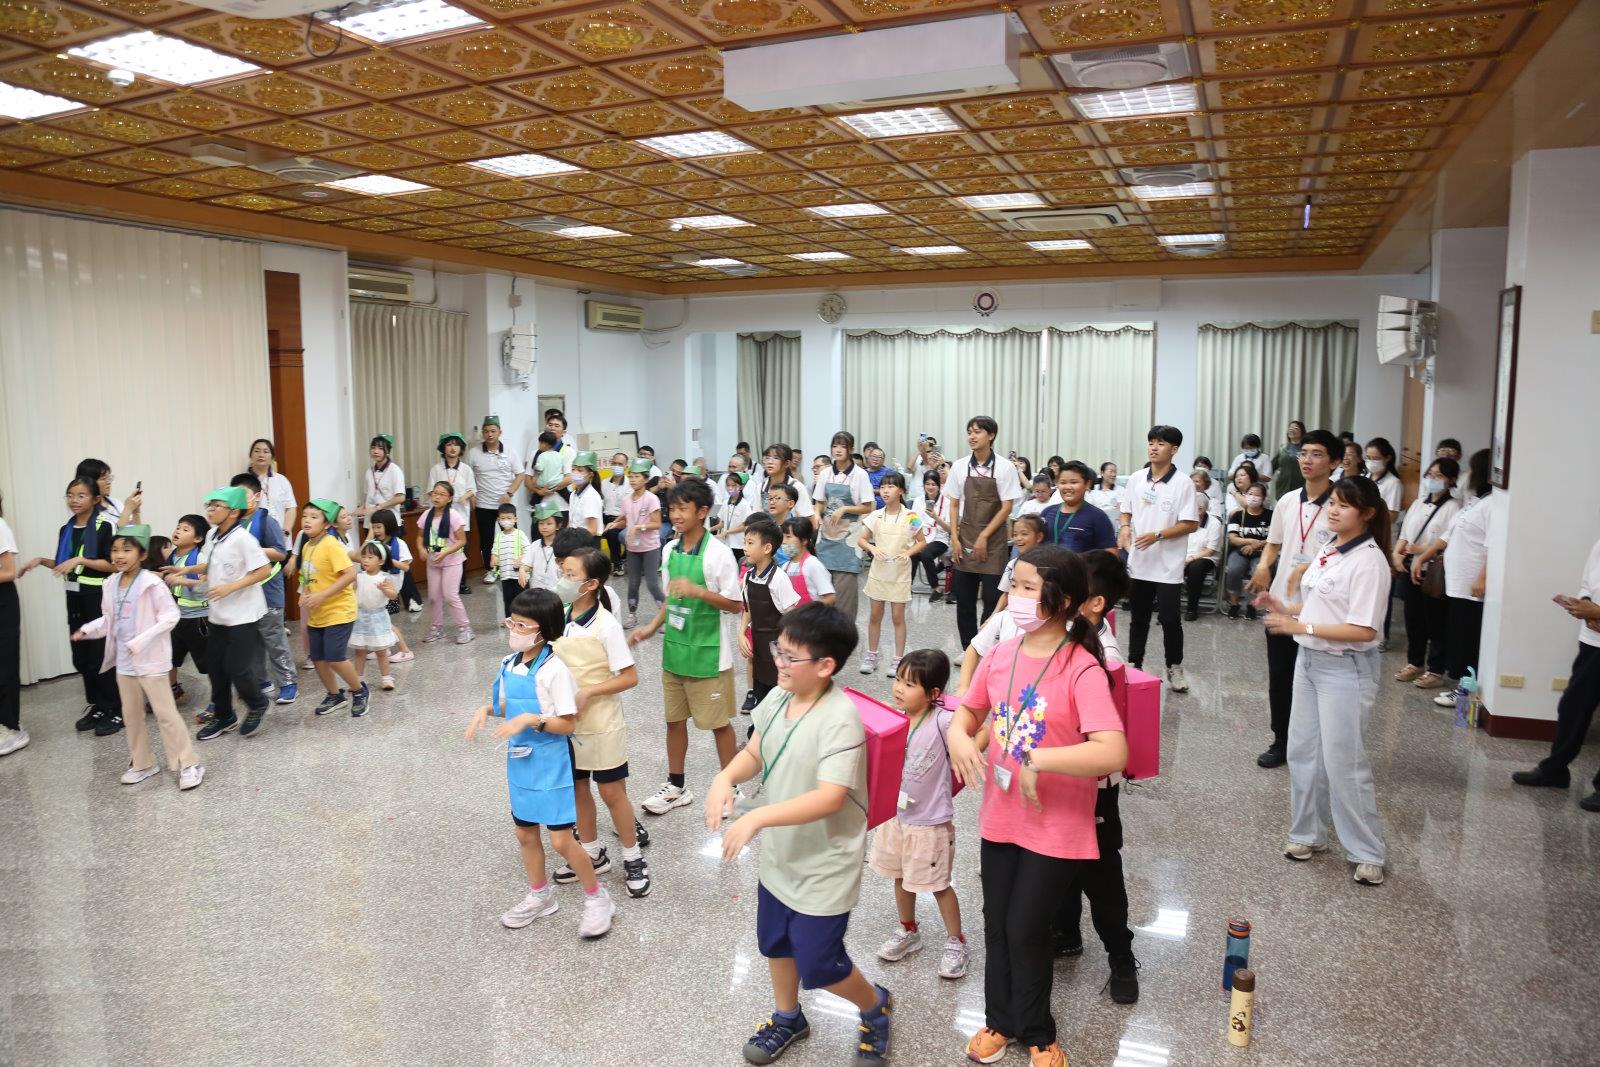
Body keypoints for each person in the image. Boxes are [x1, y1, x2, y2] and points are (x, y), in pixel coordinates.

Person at [947, 546, 1127, 1067]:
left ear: (1062, 600)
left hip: (1057, 824)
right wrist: (960, 737)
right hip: (1001, 815)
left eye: (1027, 588)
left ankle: (1038, 1031)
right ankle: (1000, 1021)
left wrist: (1040, 759)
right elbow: (970, 711)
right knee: (998, 923)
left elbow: (1113, 751)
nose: (1014, 596)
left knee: (1027, 927)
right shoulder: (1003, 653)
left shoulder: (1081, 667)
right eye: (1015, 585)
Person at [703, 602, 893, 1067]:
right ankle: (788, 1017)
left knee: (820, 962)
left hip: (825, 863)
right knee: (776, 943)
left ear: (826, 666)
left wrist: (755, 818)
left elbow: (830, 797)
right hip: (781, 854)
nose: (778, 662)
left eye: (790, 656)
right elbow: (755, 752)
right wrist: (724, 777)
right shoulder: (777, 699)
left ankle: (874, 1006)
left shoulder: (840, 719)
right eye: (778, 650)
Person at [1258, 475, 1393, 887]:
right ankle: (1307, 834)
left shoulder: (1370, 562)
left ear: (1367, 514)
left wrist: (1301, 626)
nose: (1333, 510)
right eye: (1332, 502)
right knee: (1302, 752)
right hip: (1309, 663)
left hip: (1345, 669)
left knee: (1343, 763)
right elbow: (1320, 605)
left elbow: (1364, 630)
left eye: (1344, 505)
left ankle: (1367, 851)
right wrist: (1285, 607)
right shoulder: (1331, 547)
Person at [466, 588, 614, 939]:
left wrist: (533, 720)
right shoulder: (509, 664)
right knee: (525, 833)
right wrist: (486, 709)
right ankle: (540, 895)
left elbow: (568, 723)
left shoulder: (555, 669)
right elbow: (512, 706)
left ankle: (598, 898)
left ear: (543, 631)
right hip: (520, 760)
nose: (514, 630)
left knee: (561, 841)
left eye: (522, 625)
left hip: (552, 762)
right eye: (512, 622)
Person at [1045, 550, 1138, 1003]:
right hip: (1059, 773)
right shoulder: (1062, 635)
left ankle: (1121, 955)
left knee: (1101, 877)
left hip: (1095, 787)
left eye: (1072, 588)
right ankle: (1066, 932)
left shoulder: (1104, 656)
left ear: (1096, 602)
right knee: (1057, 859)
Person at [628, 479, 743, 816]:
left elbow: (736, 604)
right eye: (672, 509)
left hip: (709, 654)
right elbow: (671, 598)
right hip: (675, 652)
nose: (675, 515)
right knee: (674, 722)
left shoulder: (718, 554)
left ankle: (732, 788)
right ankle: (676, 786)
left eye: (683, 509)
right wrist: (651, 627)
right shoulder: (670, 550)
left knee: (718, 724)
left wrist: (699, 592)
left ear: (702, 512)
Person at [551, 547, 652, 899]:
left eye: (570, 575)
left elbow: (630, 676)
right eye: (562, 572)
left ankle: (633, 857)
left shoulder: (605, 624)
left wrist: (590, 691)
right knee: (578, 789)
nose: (563, 580)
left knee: (611, 792)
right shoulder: (560, 615)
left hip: (602, 721)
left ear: (591, 584)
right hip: (568, 722)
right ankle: (592, 853)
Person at [72, 524, 204, 790]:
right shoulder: (110, 583)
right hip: (124, 662)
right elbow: (109, 619)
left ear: (142, 555)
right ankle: (143, 763)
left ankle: (188, 763)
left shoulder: (152, 584)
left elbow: (170, 616)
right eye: (115, 550)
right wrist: (88, 629)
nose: (119, 555)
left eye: (127, 550)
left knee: (166, 714)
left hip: (151, 660)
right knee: (131, 715)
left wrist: (141, 640)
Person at [870, 649, 969, 980]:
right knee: (900, 876)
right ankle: (908, 929)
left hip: (930, 823)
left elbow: (974, 729)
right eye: (898, 679)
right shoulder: (894, 717)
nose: (899, 688)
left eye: (909, 684)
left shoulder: (943, 722)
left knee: (939, 884)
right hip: (896, 817)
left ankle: (956, 940)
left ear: (933, 693)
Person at [1247, 429, 1339, 768]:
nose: (1307, 460)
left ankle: (1317, 744)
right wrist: (1263, 566)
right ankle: (1281, 741)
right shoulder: (1287, 501)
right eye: (1304, 453)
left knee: (1319, 681)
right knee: (1280, 677)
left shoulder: (1340, 504)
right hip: (1282, 604)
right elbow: (1274, 543)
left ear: (1334, 462)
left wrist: (1310, 568)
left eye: (1317, 454)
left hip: (1322, 607)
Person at [21, 476, 122, 734]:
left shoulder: (104, 526)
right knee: (82, 656)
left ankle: (115, 709)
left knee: (101, 655)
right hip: (74, 598)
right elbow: (63, 564)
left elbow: (113, 565)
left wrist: (80, 560)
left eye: (81, 495)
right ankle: (98, 704)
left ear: (95, 499)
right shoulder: (66, 528)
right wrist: (40, 561)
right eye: (70, 495)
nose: (74, 500)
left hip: (98, 597)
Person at [1512, 534, 1600, 810]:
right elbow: (1588, 584)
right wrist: (1584, 605)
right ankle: (1555, 770)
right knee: (1573, 706)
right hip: (1593, 640)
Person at [1119, 426, 1201, 693]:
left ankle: (1174, 666)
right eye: (1151, 442)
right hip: (1139, 562)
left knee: (1169, 619)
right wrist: (1125, 527)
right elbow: (1126, 511)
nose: (1154, 447)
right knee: (1138, 618)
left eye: (1161, 443)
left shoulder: (1183, 483)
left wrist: (1158, 535)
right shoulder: (1136, 479)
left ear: (1174, 449)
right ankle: (1134, 663)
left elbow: (1190, 523)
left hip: (1168, 566)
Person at [1410, 448, 1492, 707]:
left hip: (1471, 587)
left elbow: (1493, 546)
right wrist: (1423, 557)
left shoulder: (1492, 504)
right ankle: (1461, 688)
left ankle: (1465, 694)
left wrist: (1481, 578)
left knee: (1469, 641)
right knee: (1457, 638)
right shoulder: (1475, 501)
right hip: (1455, 584)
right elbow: (1447, 536)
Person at [192, 486, 273, 741]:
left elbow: (264, 570)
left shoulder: (244, 540)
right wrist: (183, 571)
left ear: (234, 512)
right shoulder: (212, 535)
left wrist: (230, 587)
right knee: (216, 669)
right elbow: (210, 564)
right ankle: (224, 716)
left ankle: (257, 703)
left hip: (243, 615)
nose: (211, 510)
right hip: (219, 614)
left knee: (237, 668)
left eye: (217, 506)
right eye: (209, 505)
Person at [948, 416, 1027, 648]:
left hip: (994, 544)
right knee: (964, 601)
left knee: (992, 601)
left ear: (991, 435)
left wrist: (984, 536)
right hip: (965, 539)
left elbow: (1007, 507)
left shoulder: (1005, 467)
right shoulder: (960, 466)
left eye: (977, 432)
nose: (971, 436)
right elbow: (954, 504)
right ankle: (967, 648)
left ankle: (985, 649)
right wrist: (954, 537)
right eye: (969, 432)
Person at [297, 498, 370, 719]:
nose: (307, 520)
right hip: (317, 613)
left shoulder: (331, 545)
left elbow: (350, 574)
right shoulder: (308, 545)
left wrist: (322, 595)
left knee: (335, 657)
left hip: (339, 611)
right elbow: (307, 575)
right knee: (318, 658)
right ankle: (334, 695)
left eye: (314, 517)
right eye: (305, 516)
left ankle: (359, 690)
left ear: (327, 524)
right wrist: (304, 593)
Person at [1391, 458, 1460, 688]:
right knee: (1413, 619)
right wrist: (1397, 554)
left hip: (1433, 572)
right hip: (1410, 569)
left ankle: (1436, 670)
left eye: (1439, 476)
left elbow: (1447, 541)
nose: (1432, 479)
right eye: (1430, 474)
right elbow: (1405, 534)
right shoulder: (1418, 503)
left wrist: (1419, 551)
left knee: (1436, 622)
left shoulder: (1453, 507)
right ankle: (1415, 663)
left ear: (1451, 480)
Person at [231, 473, 297, 707]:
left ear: (257, 496)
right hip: (244, 593)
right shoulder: (232, 523)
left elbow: (280, 552)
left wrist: (251, 549)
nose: (238, 499)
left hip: (267, 590)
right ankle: (261, 681)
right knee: (252, 641)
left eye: (244, 494)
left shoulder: (266, 520)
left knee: (274, 639)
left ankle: (288, 683)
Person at [856, 472, 925, 676]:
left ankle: (898, 660)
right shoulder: (876, 515)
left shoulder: (911, 516)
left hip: (900, 573)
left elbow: (922, 542)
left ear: (901, 491)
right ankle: (872, 655)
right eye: (883, 487)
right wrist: (872, 548)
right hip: (879, 572)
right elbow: (861, 539)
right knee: (875, 615)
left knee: (897, 617)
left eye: (891, 487)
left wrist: (908, 553)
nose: (885, 491)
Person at [813, 431, 875, 623]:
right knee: (823, 590)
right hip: (826, 536)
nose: (838, 450)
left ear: (851, 449)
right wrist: (817, 514)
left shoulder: (860, 474)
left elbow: (868, 506)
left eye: (842, 446)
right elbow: (819, 501)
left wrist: (845, 508)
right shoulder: (826, 473)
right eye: (835, 446)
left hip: (848, 539)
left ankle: (844, 632)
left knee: (845, 595)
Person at [740, 519, 801, 709]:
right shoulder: (748, 576)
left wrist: (786, 651)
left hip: (778, 647)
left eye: (750, 543)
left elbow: (792, 617)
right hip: (759, 645)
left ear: (767, 548)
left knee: (779, 695)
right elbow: (748, 610)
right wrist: (741, 634)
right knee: (760, 692)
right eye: (744, 542)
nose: (745, 548)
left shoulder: (779, 579)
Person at [609, 458, 666, 628]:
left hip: (650, 548)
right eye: (631, 476)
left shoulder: (651, 499)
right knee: (633, 584)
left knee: (652, 584)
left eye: (637, 476)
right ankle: (632, 615)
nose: (633, 479)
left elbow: (657, 524)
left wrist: (639, 527)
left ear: (646, 479)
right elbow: (625, 521)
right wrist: (614, 524)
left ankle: (666, 616)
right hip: (633, 548)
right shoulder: (627, 500)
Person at [468, 416, 525, 581]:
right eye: (486, 431)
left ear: (500, 432)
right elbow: (467, 475)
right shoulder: (474, 453)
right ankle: (491, 570)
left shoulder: (510, 451)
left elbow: (520, 474)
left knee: (511, 537)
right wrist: (472, 494)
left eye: (493, 431)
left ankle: (514, 568)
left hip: (505, 506)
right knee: (487, 540)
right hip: (483, 504)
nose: (489, 434)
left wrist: (510, 493)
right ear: (482, 433)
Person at [418, 481, 473, 646]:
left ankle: (465, 628)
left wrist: (446, 552)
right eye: (435, 493)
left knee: (450, 595)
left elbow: (462, 540)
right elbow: (420, 536)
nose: (437, 497)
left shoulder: (454, 516)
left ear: (449, 499)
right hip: (433, 561)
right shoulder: (426, 515)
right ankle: (437, 628)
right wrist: (421, 549)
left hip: (452, 561)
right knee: (434, 597)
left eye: (442, 494)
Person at [1041, 461, 1119, 558]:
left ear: (1087, 484)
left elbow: (1111, 556)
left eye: (1073, 482)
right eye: (1063, 482)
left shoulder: (1098, 517)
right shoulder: (1047, 513)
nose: (1067, 487)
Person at [350, 541, 399, 692]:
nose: (365, 560)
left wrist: (386, 590)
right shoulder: (359, 576)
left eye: (370, 557)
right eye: (364, 557)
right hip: (360, 616)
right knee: (360, 651)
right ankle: (357, 679)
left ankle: (386, 678)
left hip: (378, 617)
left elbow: (393, 595)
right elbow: (352, 591)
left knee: (381, 651)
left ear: (381, 561)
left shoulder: (384, 577)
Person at [1224, 482, 1272, 618]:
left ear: (1263, 498)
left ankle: (1252, 605)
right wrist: (1250, 541)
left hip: (1262, 553)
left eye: (1257, 495)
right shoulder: (1237, 515)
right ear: (1245, 495)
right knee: (1233, 570)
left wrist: (1255, 546)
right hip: (1240, 551)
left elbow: (1273, 538)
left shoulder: (1270, 515)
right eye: (1250, 494)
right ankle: (1234, 604)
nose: (1253, 497)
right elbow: (1232, 538)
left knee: (1257, 571)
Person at [1183, 470, 1223, 621]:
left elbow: (1210, 550)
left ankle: (1191, 609)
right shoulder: (1184, 520)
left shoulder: (1214, 523)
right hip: (1185, 555)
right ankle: (1164, 605)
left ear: (1201, 510)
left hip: (1205, 557)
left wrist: (1189, 559)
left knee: (1195, 568)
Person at [0, 490, 22, 756]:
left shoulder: (0, 527)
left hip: (3, 602)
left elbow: (8, 571)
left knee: (4, 666)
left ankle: (11, 726)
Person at [371, 510, 422, 617]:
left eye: (379, 527)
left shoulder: (400, 544)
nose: (376, 531)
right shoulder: (373, 544)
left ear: (389, 526)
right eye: (373, 527)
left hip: (391, 592)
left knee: (385, 619)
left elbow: (406, 567)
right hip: (375, 590)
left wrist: (389, 559)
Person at [911, 470, 951, 603]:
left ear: (939, 486)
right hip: (921, 537)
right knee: (913, 553)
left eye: (933, 484)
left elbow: (949, 529)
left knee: (925, 555)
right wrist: (916, 539)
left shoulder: (947, 502)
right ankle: (907, 586)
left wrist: (936, 517)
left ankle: (936, 589)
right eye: (927, 484)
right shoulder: (918, 501)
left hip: (940, 538)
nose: (930, 487)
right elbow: (913, 523)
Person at [354, 435, 405, 536]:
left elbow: (400, 498)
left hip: (389, 523)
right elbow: (368, 496)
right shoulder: (369, 471)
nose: (375, 451)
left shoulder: (395, 470)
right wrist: (362, 508)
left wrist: (377, 507)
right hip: (370, 523)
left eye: (380, 448)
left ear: (387, 451)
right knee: (370, 547)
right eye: (373, 447)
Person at [752, 444, 814, 520]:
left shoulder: (797, 487)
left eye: (776, 458)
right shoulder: (761, 487)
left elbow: (807, 518)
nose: (770, 462)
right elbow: (755, 516)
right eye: (767, 458)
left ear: (787, 463)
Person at [781, 518, 834, 607]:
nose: (783, 541)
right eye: (783, 537)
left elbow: (830, 597)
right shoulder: (785, 567)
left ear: (804, 540)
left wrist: (808, 610)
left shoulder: (813, 564)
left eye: (788, 537)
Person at [247, 439, 297, 530]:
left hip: (280, 534)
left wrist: (285, 531)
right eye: (257, 451)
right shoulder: (244, 481)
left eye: (266, 451)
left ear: (272, 458)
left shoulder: (282, 480)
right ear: (250, 456)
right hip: (253, 534)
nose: (261, 455)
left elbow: (290, 508)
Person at [489, 502, 529, 616]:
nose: (506, 521)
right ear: (498, 520)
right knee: (508, 600)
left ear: (515, 519)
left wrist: (521, 558)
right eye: (503, 518)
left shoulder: (520, 534)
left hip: (519, 575)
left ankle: (523, 618)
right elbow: (495, 551)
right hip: (505, 575)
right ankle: (509, 619)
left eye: (509, 518)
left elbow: (528, 550)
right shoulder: (498, 536)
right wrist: (493, 558)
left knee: (521, 600)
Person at [521, 499, 564, 593]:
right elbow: (527, 564)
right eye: (541, 523)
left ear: (558, 526)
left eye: (549, 523)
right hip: (536, 592)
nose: (544, 527)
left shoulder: (563, 545)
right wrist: (522, 570)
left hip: (557, 593)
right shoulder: (535, 545)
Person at [715, 470, 758, 564]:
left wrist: (727, 532)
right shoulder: (725, 502)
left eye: (733, 485)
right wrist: (710, 529)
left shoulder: (744, 504)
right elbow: (723, 523)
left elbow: (745, 525)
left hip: (738, 545)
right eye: (728, 485)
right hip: (726, 543)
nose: (730, 488)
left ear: (741, 487)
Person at [601, 451, 630, 577]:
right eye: (614, 463)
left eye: (620, 464)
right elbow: (601, 505)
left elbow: (629, 510)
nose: (616, 466)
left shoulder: (630, 484)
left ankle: (618, 563)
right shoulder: (604, 483)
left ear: (626, 466)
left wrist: (616, 523)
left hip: (624, 519)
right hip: (605, 517)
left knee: (611, 532)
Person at [528, 431, 572, 514]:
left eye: (540, 443)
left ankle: (533, 504)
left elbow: (540, 468)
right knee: (564, 492)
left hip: (544, 482)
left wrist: (536, 467)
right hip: (557, 481)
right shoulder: (559, 455)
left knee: (536, 488)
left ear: (545, 444)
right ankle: (571, 502)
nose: (539, 445)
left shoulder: (541, 455)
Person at [567, 451, 605, 537]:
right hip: (575, 538)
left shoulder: (590, 496)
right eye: (573, 469)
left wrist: (573, 539)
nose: (575, 473)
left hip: (588, 540)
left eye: (580, 470)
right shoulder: (573, 494)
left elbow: (592, 530)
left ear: (590, 474)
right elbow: (571, 522)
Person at [1365, 437, 1402, 521]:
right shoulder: (1365, 477)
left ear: (1388, 458)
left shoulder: (1393, 483)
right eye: (1368, 458)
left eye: (1376, 458)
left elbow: (1392, 516)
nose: (1371, 462)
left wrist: (1367, 516)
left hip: (1379, 527)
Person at [1272, 421, 1307, 499]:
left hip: (1301, 485)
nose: (1292, 430)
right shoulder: (1283, 448)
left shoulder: (1306, 448)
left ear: (1302, 432)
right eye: (1290, 428)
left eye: (1296, 428)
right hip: (1283, 486)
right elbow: (1272, 466)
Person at [1086, 462, 1124, 530]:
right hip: (1096, 525)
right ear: (1102, 473)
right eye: (1111, 471)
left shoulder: (1121, 490)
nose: (1114, 474)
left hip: (1114, 526)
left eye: (1115, 472)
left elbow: (1120, 509)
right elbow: (1089, 508)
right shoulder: (1093, 489)